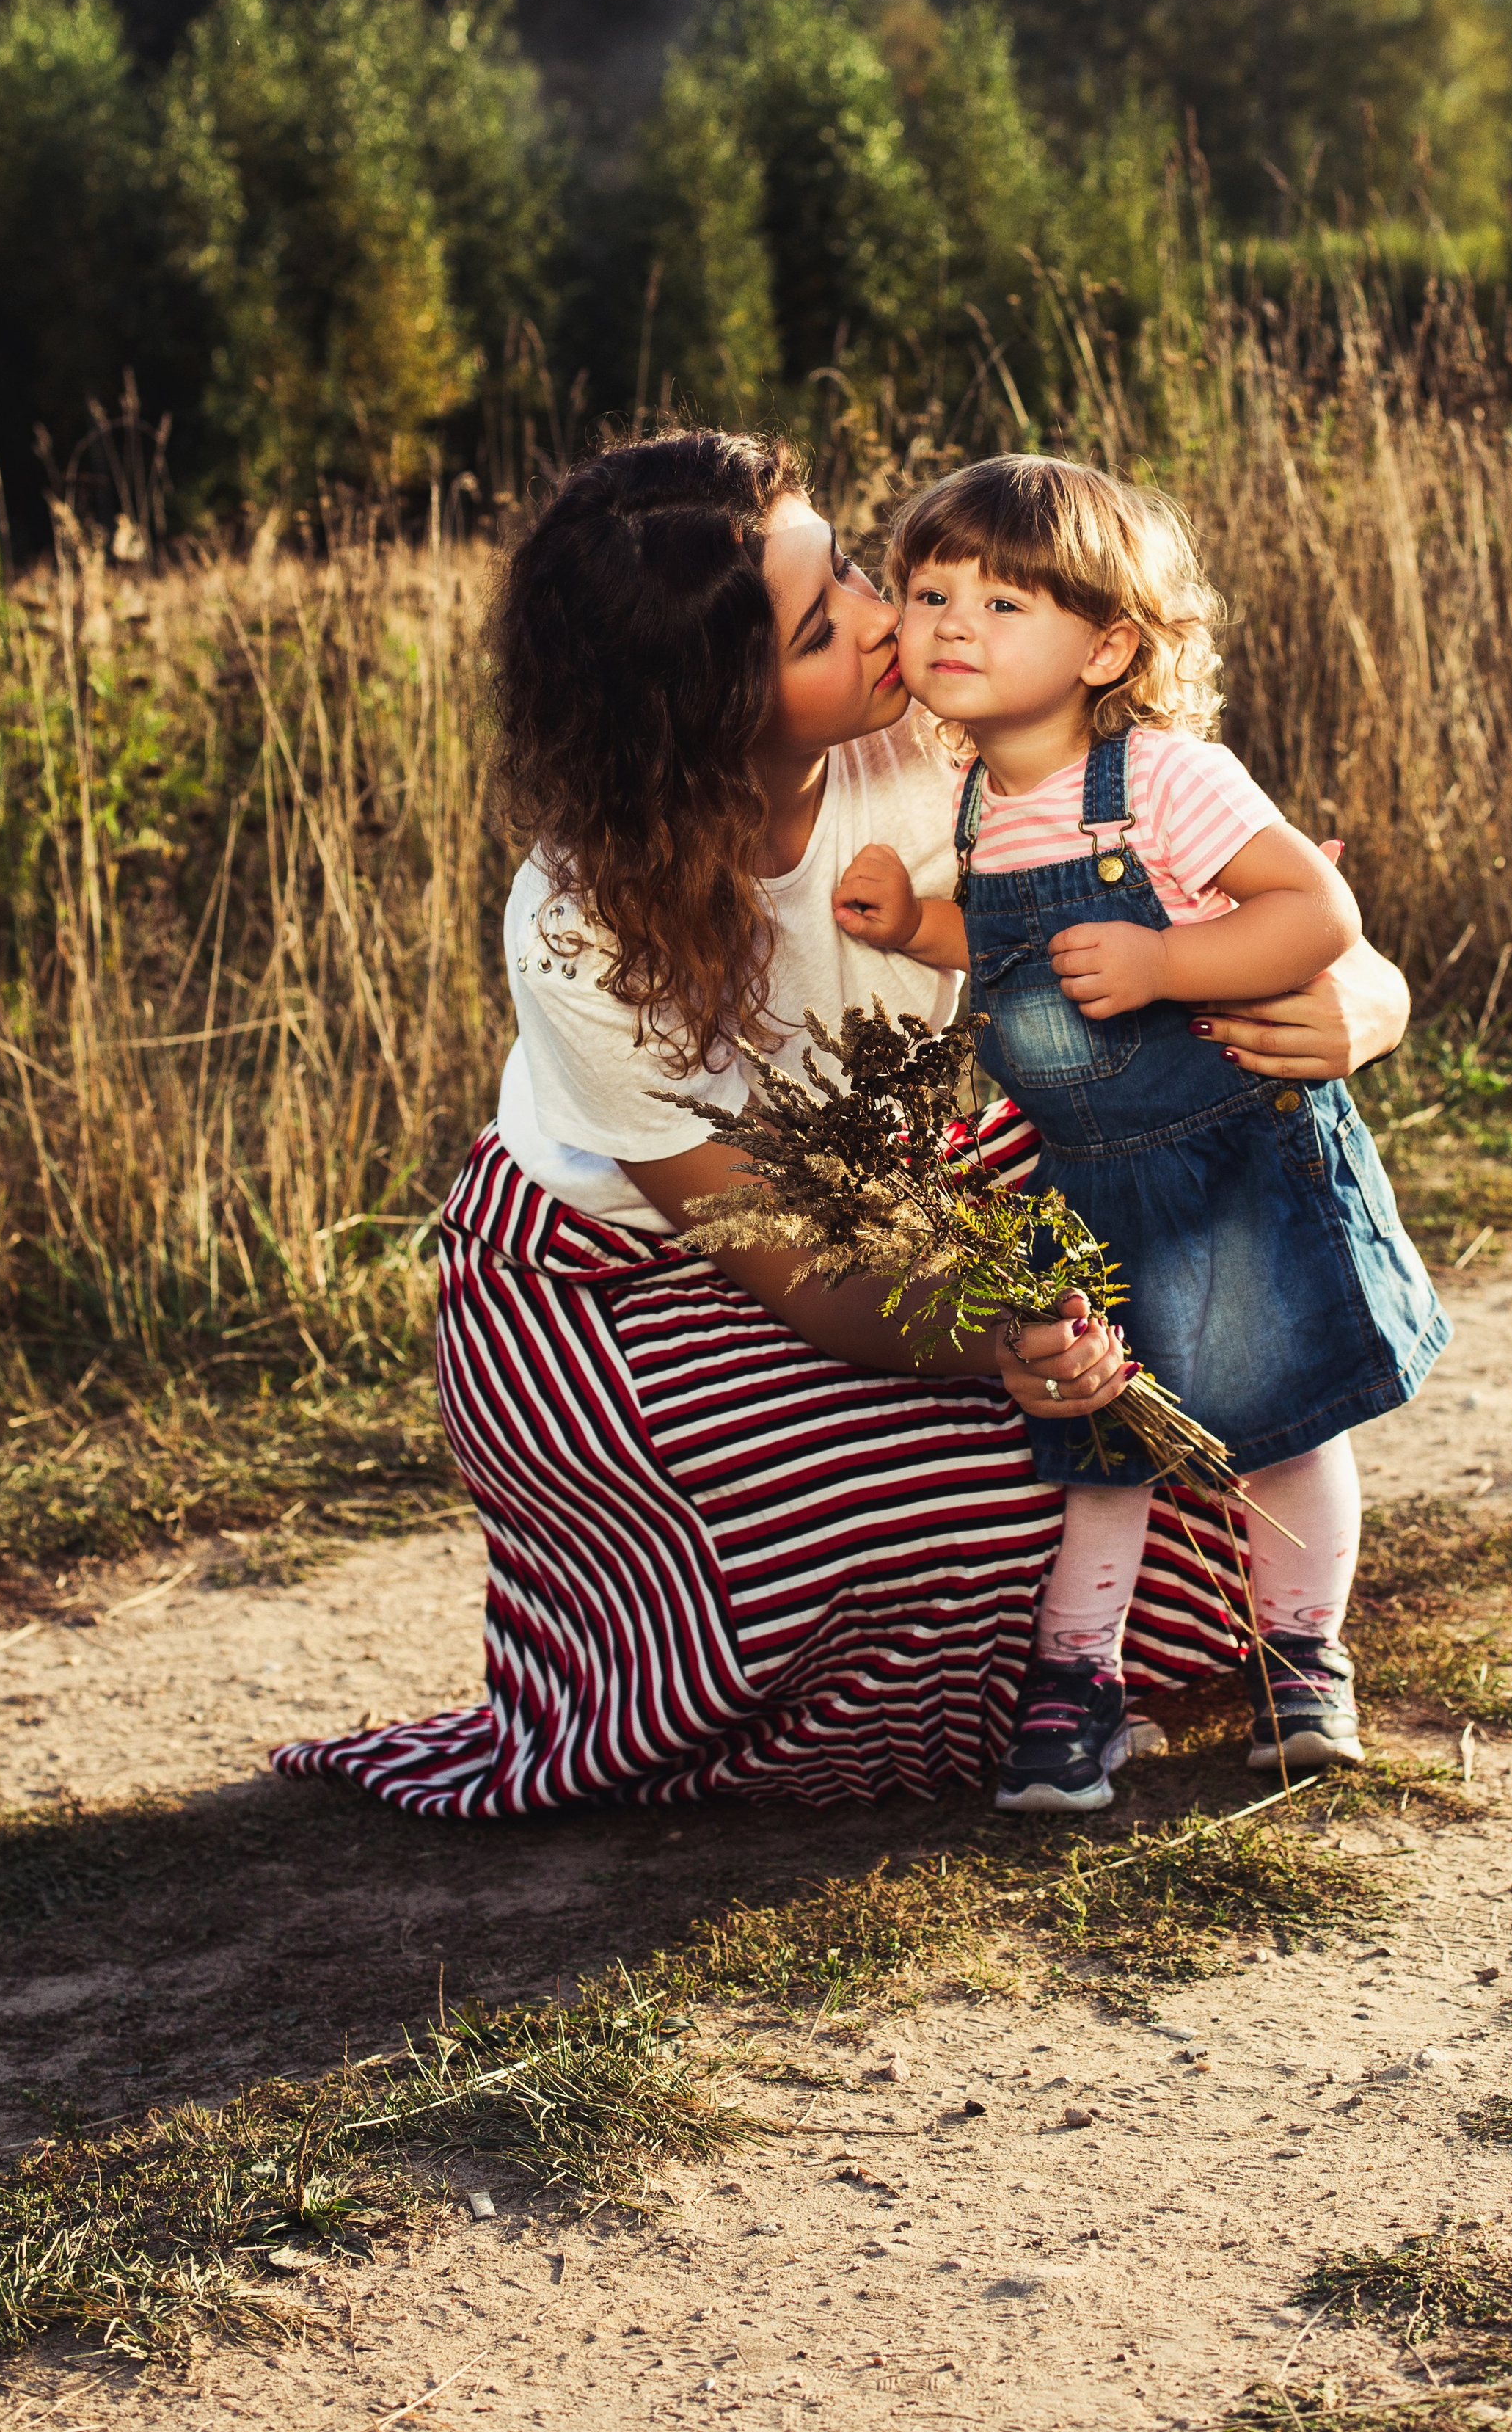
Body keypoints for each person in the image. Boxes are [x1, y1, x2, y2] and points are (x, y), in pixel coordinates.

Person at [273, 434, 1413, 1818]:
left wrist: (1365, 997)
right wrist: (1004, 1342)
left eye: (859, 570)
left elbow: (1230, 892)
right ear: (706, 706)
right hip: (625, 1282)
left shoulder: (946, 747)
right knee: (934, 1519)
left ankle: (1188, 1649)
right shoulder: (579, 923)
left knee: (1171, 1423)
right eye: (825, 625)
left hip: (914, 1201)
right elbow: (796, 1264)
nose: (894, 619)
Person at [838, 456, 1449, 1810]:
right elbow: (1020, 967)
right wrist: (914, 925)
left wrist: (1173, 966)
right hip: (1089, 1184)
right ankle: (1079, 1683)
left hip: (1231, 1158)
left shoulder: (1164, 778)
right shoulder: (978, 801)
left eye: (1005, 604)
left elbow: (1313, 912)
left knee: (1286, 1422)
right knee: (1099, 1440)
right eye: (932, 591)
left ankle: (1299, 1659)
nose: (949, 625)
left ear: (1105, 642)